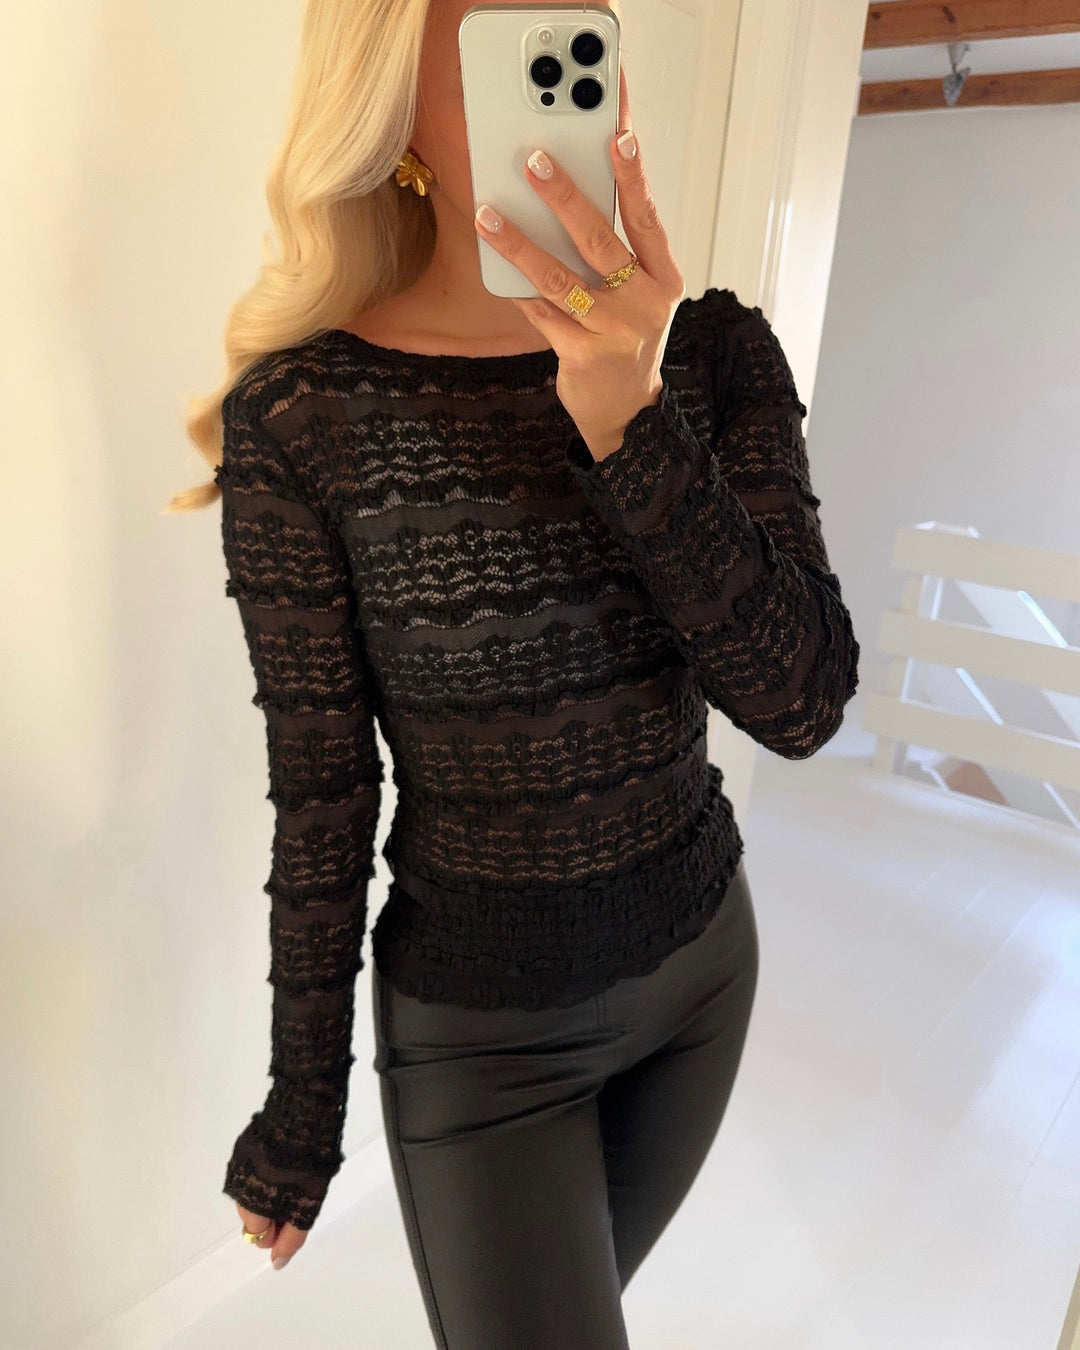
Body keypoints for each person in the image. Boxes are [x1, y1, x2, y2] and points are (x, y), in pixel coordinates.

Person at [171, 1, 860, 1345]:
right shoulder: (303, 417)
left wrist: (630, 415)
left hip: (703, 979)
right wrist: (303, 1107)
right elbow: (323, 796)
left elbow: (803, 703)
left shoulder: (717, 353)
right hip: (485, 1041)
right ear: (392, 110)